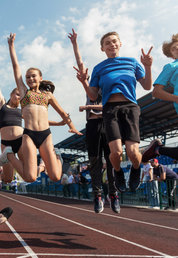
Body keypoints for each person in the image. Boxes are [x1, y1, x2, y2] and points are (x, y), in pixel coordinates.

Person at [74, 31, 153, 204]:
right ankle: (117, 172)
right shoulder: (99, 68)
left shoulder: (132, 62)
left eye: (114, 41)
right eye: (107, 43)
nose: (111, 45)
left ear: (120, 43)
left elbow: (147, 86)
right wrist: (84, 83)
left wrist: (147, 66)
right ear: (102, 48)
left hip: (130, 107)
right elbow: (93, 96)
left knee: (133, 152)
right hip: (109, 109)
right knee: (116, 152)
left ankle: (135, 169)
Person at [1, 33, 81, 183]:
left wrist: (72, 127)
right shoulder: (24, 92)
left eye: (33, 76)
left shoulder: (48, 95)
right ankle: (9, 154)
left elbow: (63, 113)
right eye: (28, 77)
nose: (30, 79)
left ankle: (57, 156)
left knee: (56, 177)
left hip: (46, 135)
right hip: (29, 135)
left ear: (40, 78)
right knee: (30, 177)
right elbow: (15, 67)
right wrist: (11, 46)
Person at [69, 29, 117, 213]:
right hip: (93, 125)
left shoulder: (110, 87)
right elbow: (80, 64)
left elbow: (108, 107)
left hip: (109, 123)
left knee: (112, 160)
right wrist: (75, 44)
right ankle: (97, 195)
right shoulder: (91, 86)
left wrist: (88, 108)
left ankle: (113, 193)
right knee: (94, 161)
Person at [142, 34, 178, 162]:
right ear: (172, 55)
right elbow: (156, 92)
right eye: (174, 48)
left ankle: (158, 149)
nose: (177, 47)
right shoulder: (171, 67)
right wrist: (176, 98)